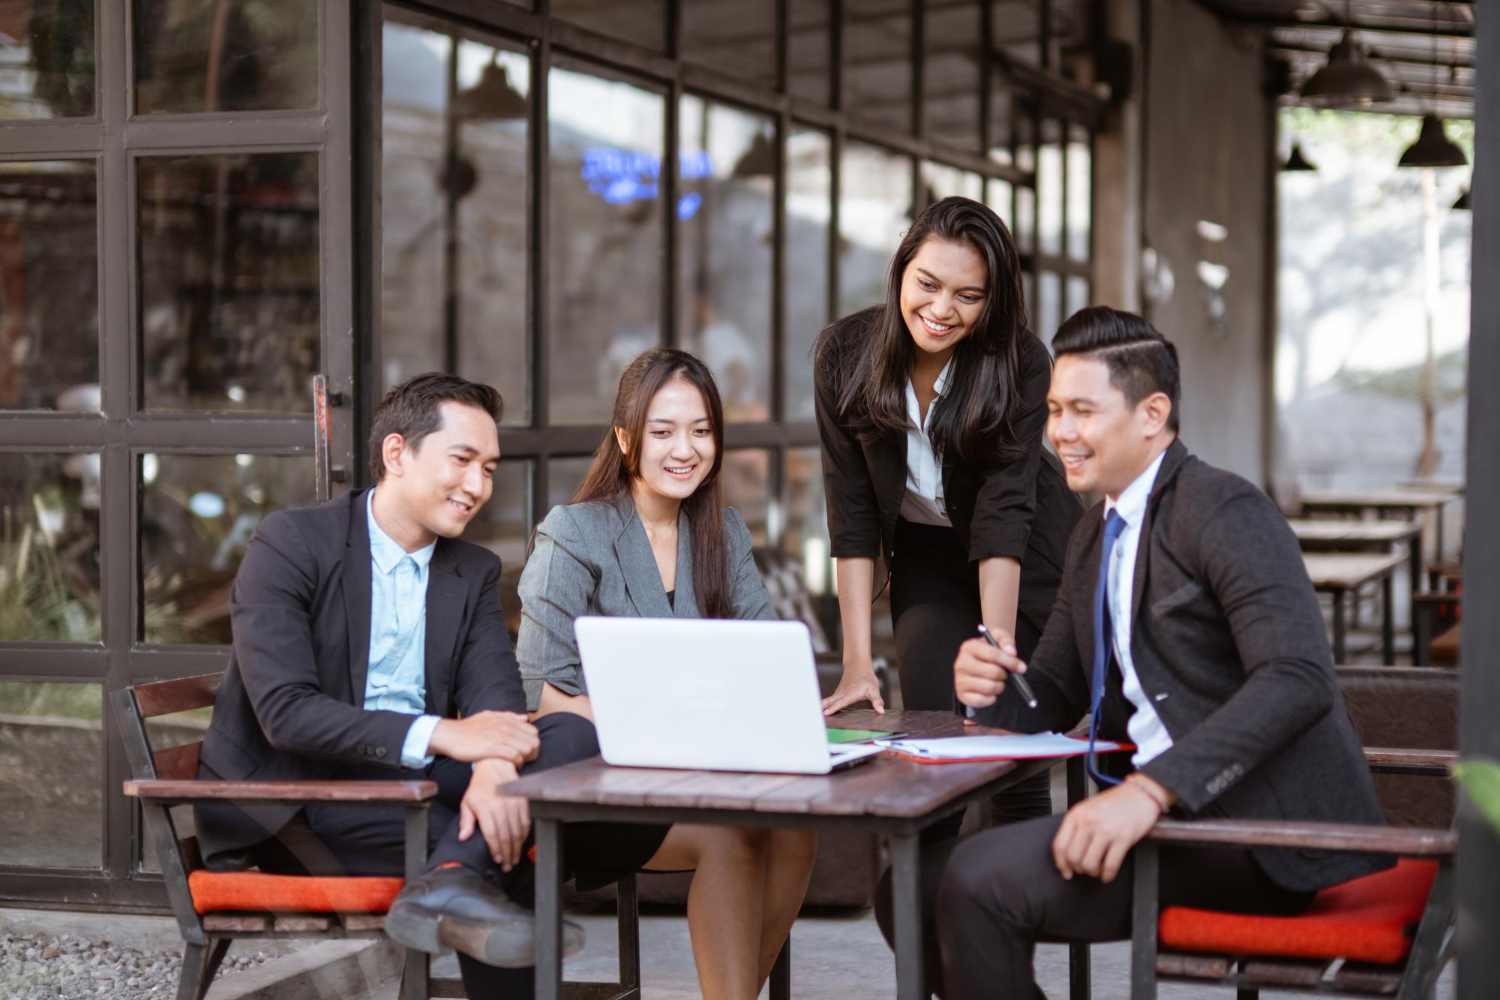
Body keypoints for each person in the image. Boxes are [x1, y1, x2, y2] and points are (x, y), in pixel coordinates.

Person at [917, 307, 1390, 998]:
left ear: (1151, 413)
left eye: (1082, 410)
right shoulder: (1093, 535)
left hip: (1255, 833)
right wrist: (987, 685)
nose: (1061, 433)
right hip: (1166, 821)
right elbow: (1053, 691)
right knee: (913, 885)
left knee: (976, 882)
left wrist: (1151, 790)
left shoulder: (1223, 510)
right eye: (1054, 411)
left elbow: (1297, 678)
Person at [194, 373, 628, 1000]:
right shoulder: (291, 543)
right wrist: (453, 737)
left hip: (410, 783)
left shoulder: (471, 569)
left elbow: (495, 694)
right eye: (462, 461)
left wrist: (494, 770)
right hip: (298, 802)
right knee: (511, 840)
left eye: (490, 468)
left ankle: (450, 875)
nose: (478, 486)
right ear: (397, 453)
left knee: (569, 732)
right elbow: (287, 714)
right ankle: (458, 871)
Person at [517, 347, 817, 1000]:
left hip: (709, 775)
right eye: (663, 431)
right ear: (626, 439)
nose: (686, 449)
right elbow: (541, 694)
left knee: (799, 823)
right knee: (732, 836)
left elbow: (769, 659)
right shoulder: (573, 534)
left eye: (701, 430)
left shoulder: (723, 533)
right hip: (597, 790)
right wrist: (672, 731)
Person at [813, 195, 1082, 825]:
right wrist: (856, 661)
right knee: (934, 749)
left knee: (1009, 744)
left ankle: (1014, 909)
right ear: (901, 270)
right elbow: (849, 513)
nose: (940, 310)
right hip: (927, 556)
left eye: (968, 295)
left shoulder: (1019, 361)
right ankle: (925, 915)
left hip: (1030, 555)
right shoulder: (844, 356)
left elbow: (1004, 514)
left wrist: (998, 650)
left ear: (993, 301)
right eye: (927, 284)